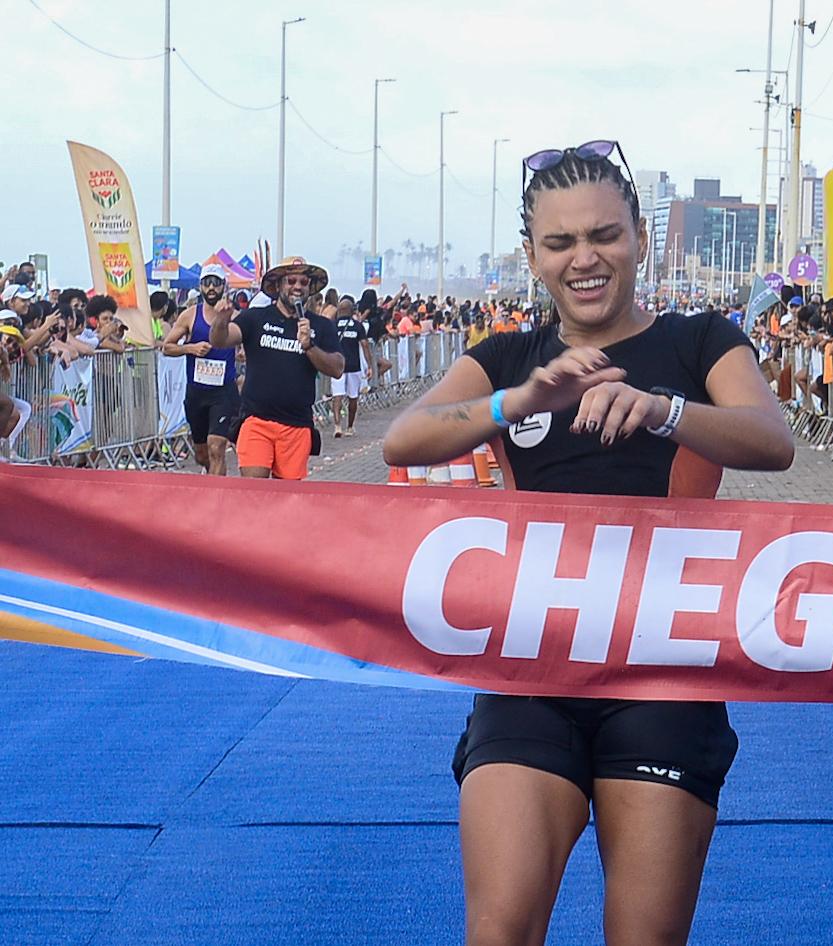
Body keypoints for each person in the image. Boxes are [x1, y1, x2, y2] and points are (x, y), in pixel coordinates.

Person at [384, 138, 793, 946]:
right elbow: (404, 438)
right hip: (531, 664)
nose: (586, 259)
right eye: (561, 242)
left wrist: (663, 409)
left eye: (604, 235)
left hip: (663, 670)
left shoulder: (699, 340)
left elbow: (770, 438)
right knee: (498, 931)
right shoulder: (509, 356)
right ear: (530, 254)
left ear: (639, 235)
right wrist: (518, 399)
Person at [205, 256, 343, 480]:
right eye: (291, 281)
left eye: (303, 282)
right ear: (278, 285)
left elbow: (337, 367)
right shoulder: (255, 318)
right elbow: (220, 340)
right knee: (254, 492)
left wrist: (309, 346)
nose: (297, 286)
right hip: (257, 420)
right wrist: (221, 320)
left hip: (297, 425)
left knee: (286, 500)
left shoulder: (321, 325)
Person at [162, 265, 240, 475]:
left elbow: (247, 345)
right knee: (202, 454)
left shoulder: (234, 316)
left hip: (223, 393)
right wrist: (190, 348)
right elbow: (167, 347)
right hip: (197, 393)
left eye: (216, 282)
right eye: (207, 283)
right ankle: (212, 477)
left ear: (224, 286)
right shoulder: (189, 316)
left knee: (217, 448)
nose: (211, 287)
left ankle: (216, 497)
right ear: (200, 287)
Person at [330, 295, 374, 438]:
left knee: (337, 396)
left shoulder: (333, 325)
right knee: (353, 397)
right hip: (354, 366)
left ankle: (337, 426)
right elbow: (365, 345)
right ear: (351, 310)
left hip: (337, 366)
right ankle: (349, 426)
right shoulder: (357, 326)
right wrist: (369, 365)